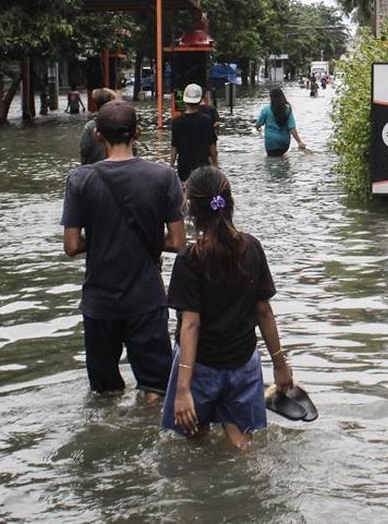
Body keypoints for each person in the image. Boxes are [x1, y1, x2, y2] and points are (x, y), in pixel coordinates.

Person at [61, 101, 186, 402]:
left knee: (104, 394)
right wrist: (146, 235)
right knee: (156, 390)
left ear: (98, 135)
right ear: (137, 133)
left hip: (99, 302)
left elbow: (71, 245)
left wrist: (102, 234)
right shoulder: (163, 176)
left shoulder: (80, 179)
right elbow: (178, 242)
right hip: (146, 298)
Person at [161, 167, 294, 450]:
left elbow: (191, 325)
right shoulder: (252, 247)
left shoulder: (190, 259)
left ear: (191, 209)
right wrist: (280, 365)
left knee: (195, 445)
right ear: (229, 203)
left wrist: (183, 389)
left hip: (200, 367)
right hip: (243, 363)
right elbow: (264, 312)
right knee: (242, 444)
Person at [170, 83, 219, 184]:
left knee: (185, 190)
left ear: (185, 100)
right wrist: (215, 166)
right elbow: (212, 147)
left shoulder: (176, 122)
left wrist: (171, 166)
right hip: (202, 167)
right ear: (200, 99)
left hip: (183, 167)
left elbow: (174, 147)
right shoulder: (206, 121)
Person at [255, 87, 308, 156]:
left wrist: (258, 128)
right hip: (284, 143)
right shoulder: (287, 109)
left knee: (271, 160)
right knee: (282, 158)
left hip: (271, 142)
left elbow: (258, 124)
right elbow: (292, 128)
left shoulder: (266, 109)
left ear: (271, 97)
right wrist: (299, 142)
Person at [79, 88, 118, 165]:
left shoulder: (90, 126)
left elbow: (84, 150)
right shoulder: (120, 123)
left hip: (95, 168)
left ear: (95, 104)